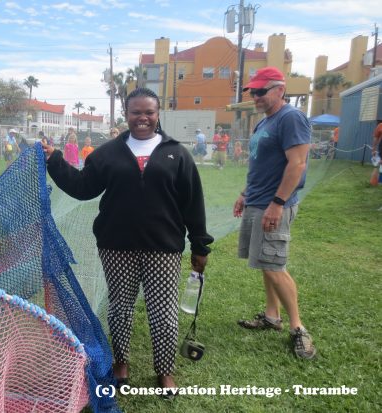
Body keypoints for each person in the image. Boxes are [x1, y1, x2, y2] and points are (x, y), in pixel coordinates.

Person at [42, 87, 213, 397]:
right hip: (116, 245)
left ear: (158, 114)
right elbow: (83, 188)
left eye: (149, 112)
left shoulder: (176, 153)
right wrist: (54, 160)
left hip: (163, 247)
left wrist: (200, 244)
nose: (143, 118)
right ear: (127, 115)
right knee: (120, 307)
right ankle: (120, 363)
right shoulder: (108, 153)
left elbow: (192, 202)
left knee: (163, 310)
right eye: (136, 112)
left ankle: (165, 371)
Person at [233, 66, 316, 360]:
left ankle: (298, 329)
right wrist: (245, 194)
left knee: (274, 265)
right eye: (253, 91)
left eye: (261, 91)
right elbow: (260, 164)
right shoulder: (264, 123)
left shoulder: (291, 118)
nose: (255, 96)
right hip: (257, 201)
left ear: (280, 90)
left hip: (274, 203)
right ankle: (272, 316)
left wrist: (277, 203)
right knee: (265, 261)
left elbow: (297, 164)